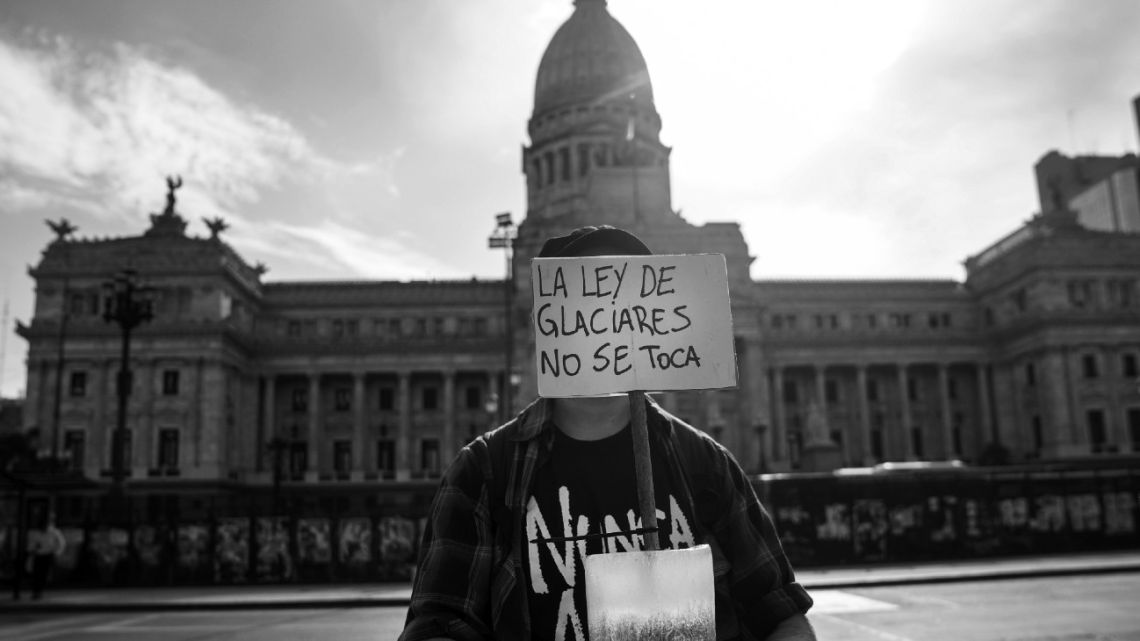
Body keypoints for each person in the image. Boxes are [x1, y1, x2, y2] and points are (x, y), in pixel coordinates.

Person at [400, 226, 815, 641]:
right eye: (588, 298)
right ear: (543, 323)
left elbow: (780, 613)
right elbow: (439, 623)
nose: (608, 321)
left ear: (655, 322)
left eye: (627, 301)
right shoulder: (483, 473)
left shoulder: (707, 464)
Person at [27, 513, 66, 599]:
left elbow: (61, 543)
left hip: (48, 554)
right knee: (36, 574)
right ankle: (36, 591)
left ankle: (39, 591)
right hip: (38, 555)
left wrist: (56, 552)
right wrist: (33, 547)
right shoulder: (36, 533)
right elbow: (30, 545)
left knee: (44, 574)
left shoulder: (54, 532)